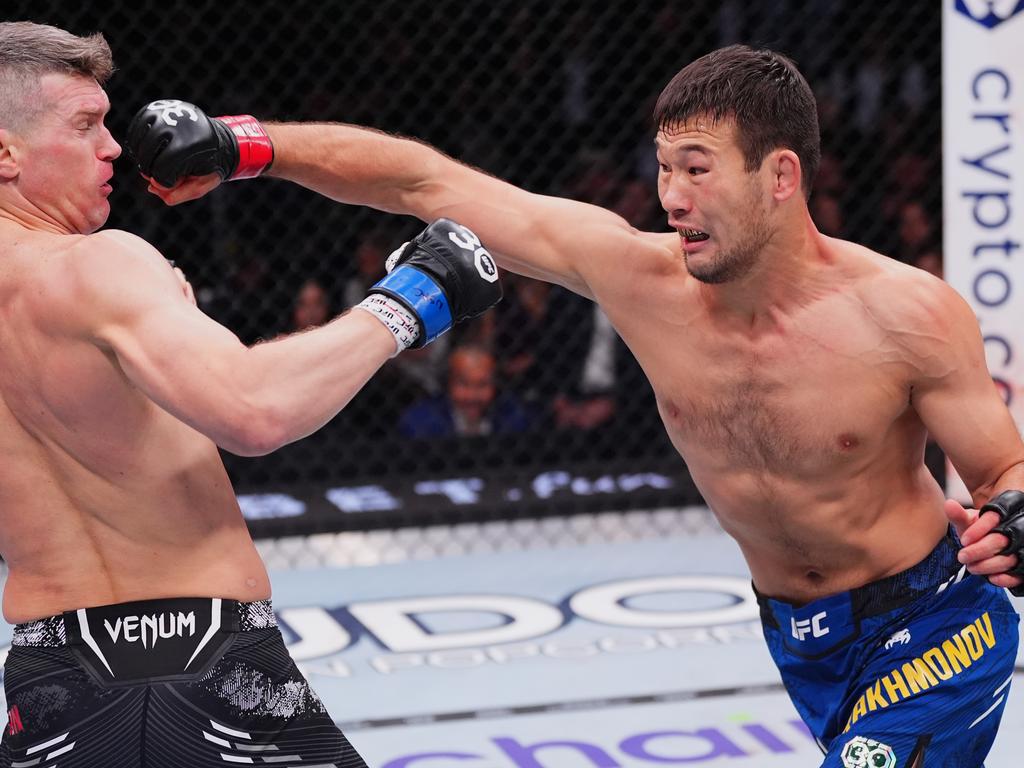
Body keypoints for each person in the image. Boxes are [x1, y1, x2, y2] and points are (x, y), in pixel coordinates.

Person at [129, 44, 1024, 767]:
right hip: (800, 640)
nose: (672, 196)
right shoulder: (639, 278)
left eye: (700, 169)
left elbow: (1002, 472)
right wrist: (244, 144)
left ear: (780, 176)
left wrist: (1013, 518)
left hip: (934, 622)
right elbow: (426, 186)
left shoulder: (906, 314)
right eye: (666, 167)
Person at [0, 21, 501, 768]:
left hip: (47, 686)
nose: (111, 148)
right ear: (5, 152)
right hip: (202, 667)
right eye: (85, 126)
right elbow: (255, 411)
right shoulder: (96, 267)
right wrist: (416, 296)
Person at [398, 343, 534, 438]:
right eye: (463, 384)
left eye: (482, 384)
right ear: (448, 383)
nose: (472, 395)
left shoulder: (512, 417)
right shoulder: (420, 421)